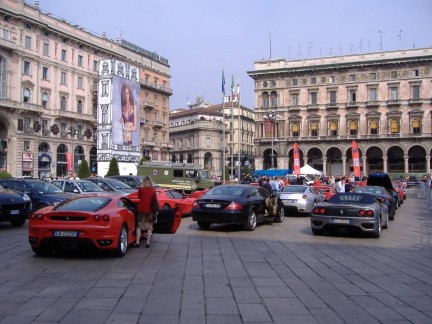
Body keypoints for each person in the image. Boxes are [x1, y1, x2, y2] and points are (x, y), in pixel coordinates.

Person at [135, 176, 157, 248]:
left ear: (143, 181)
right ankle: (147, 243)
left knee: (139, 226)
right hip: (150, 210)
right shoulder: (153, 190)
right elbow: (155, 200)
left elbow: (139, 196)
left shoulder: (141, 189)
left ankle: (137, 243)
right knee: (149, 226)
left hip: (141, 209)